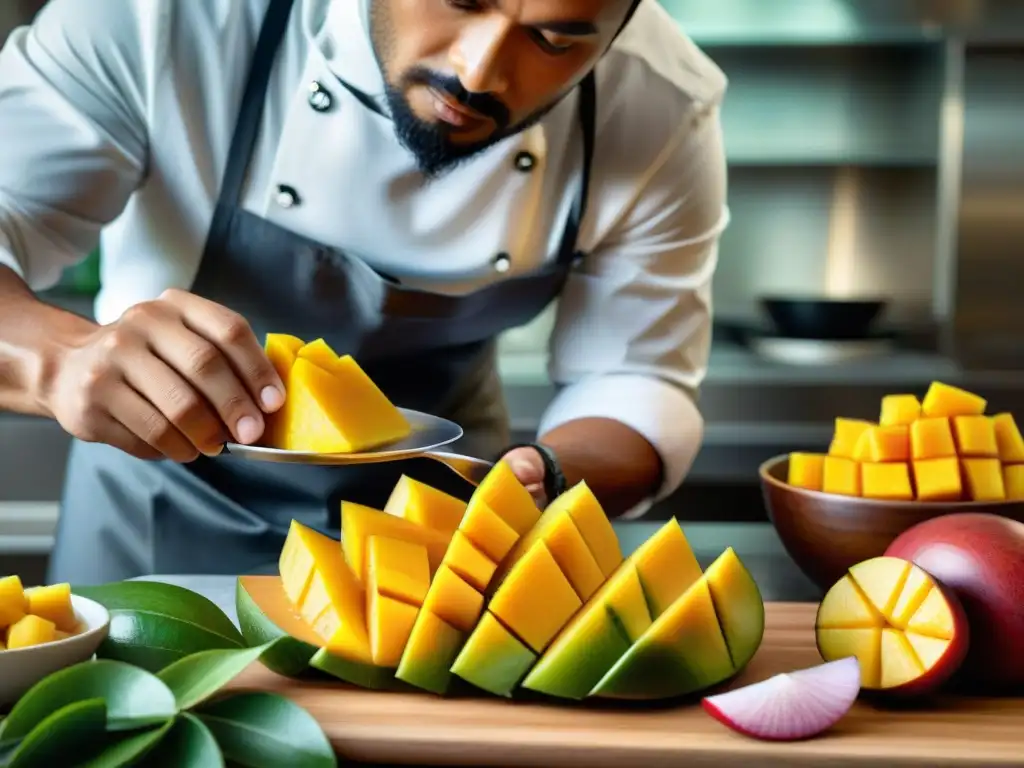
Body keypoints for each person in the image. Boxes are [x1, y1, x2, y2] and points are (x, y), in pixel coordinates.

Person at [0, 0, 729, 585]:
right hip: (155, 530)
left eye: (552, 39)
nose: (477, 71)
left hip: (441, 549)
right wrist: (63, 359)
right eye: (461, 2)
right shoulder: (163, 18)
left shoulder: (662, 105)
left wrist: (545, 478)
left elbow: (635, 379)